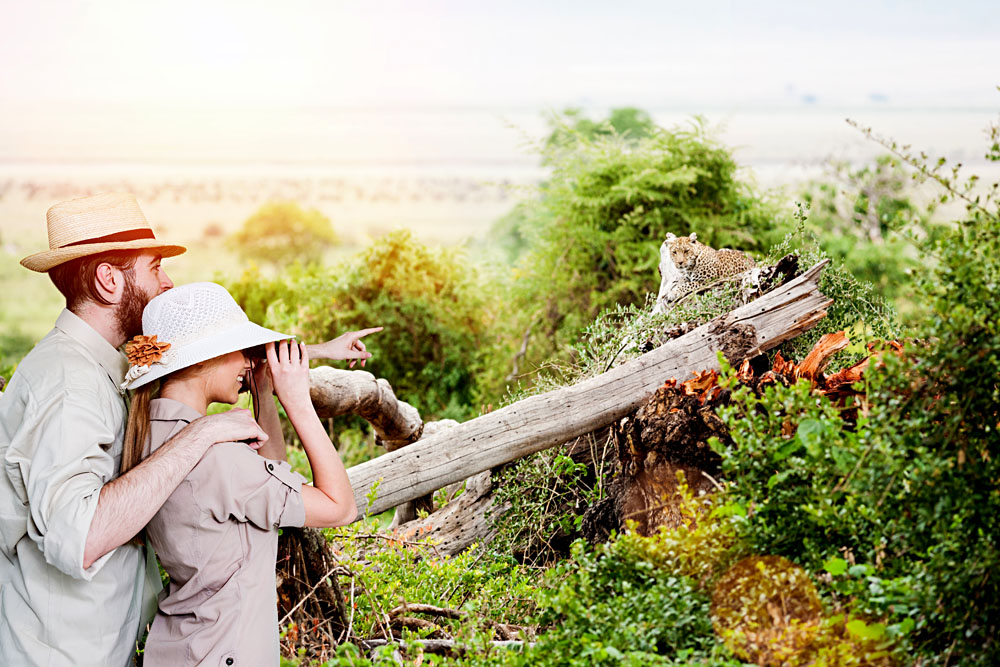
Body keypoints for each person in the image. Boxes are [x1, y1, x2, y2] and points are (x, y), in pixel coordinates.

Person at [0, 193, 375, 666]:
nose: (167, 281)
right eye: (154, 267)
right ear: (109, 279)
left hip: (119, 645)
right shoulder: (67, 386)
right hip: (63, 653)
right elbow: (79, 539)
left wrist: (312, 351)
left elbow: (191, 351)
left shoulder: (112, 361)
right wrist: (199, 435)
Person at [120, 282, 356, 665]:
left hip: (179, 649)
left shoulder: (150, 433)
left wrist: (262, 386)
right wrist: (295, 399)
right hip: (227, 651)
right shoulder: (218, 459)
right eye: (239, 351)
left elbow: (271, 472)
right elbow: (340, 507)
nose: (247, 362)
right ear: (200, 361)